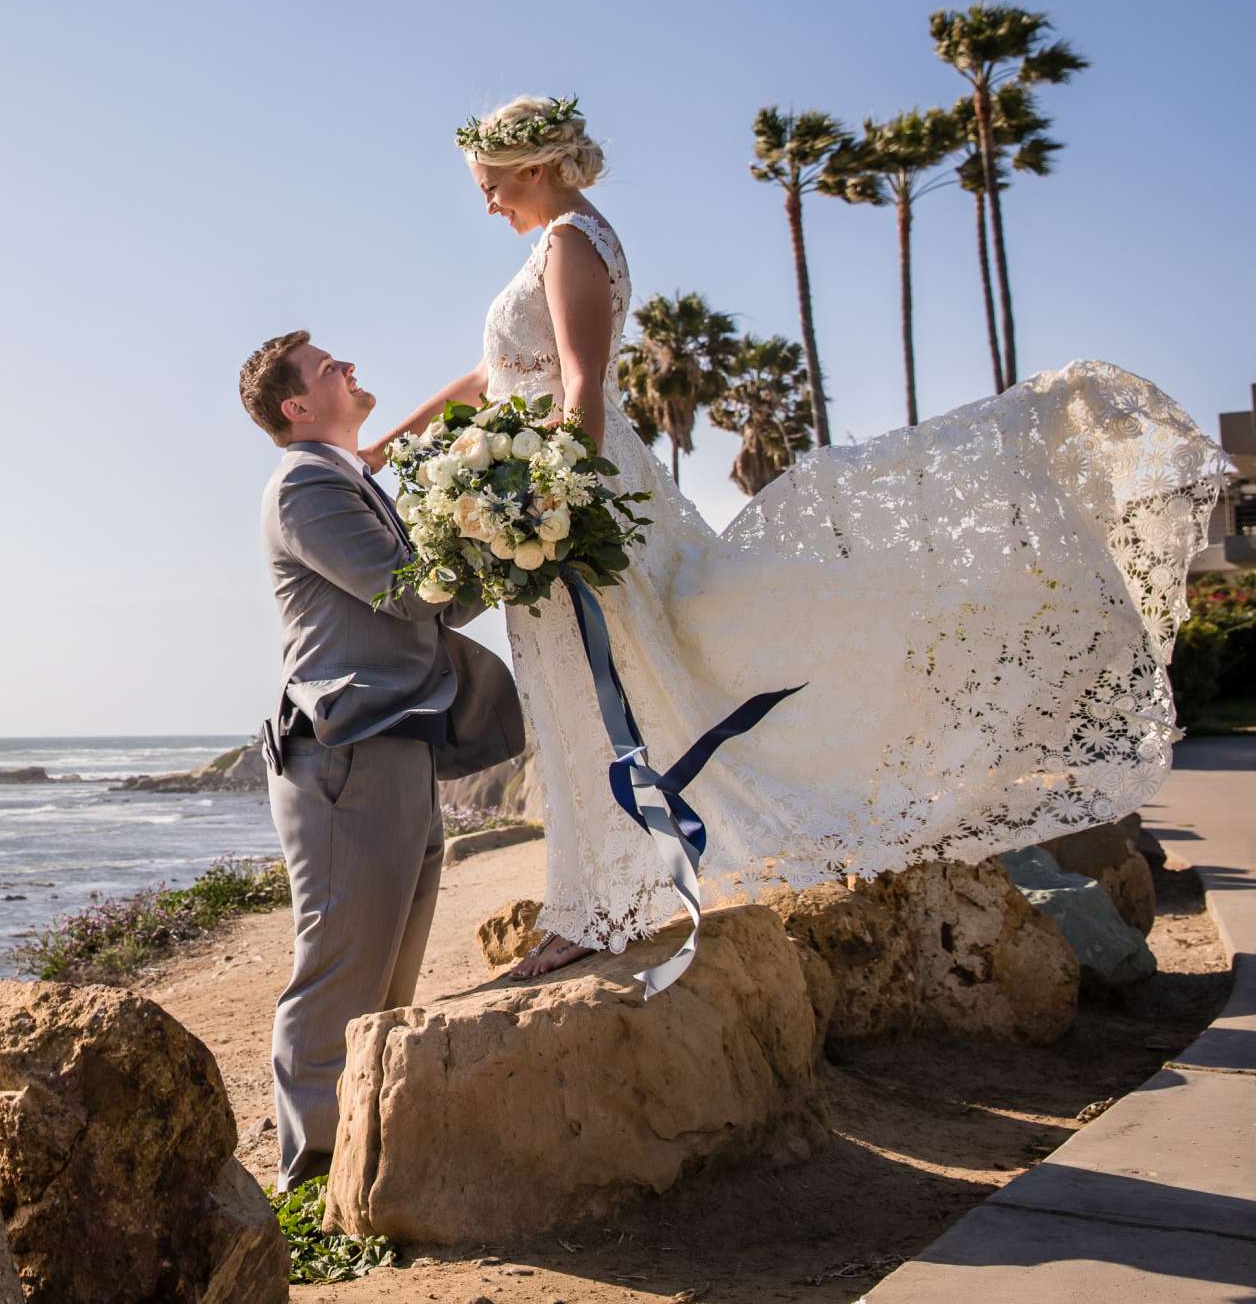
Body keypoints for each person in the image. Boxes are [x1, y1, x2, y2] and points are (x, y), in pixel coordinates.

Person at [361, 94, 1231, 980]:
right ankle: (591, 899)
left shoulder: (571, 244)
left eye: (493, 184)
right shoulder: (567, 241)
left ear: (536, 168)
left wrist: (547, 503)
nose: (488, 203)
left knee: (602, 698)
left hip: (572, 499)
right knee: (586, 699)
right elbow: (491, 374)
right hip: (555, 486)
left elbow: (580, 388)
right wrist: (389, 443)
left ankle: (601, 906)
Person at [240, 330, 521, 1191]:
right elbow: (402, 590)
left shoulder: (349, 477)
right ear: (296, 406)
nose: (350, 369)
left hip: (398, 742)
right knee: (337, 976)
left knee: (387, 978)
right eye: (329, 369)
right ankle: (312, 1171)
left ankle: (364, 1163)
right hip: (346, 754)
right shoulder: (303, 484)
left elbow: (429, 604)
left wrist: (522, 543)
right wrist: (499, 527)